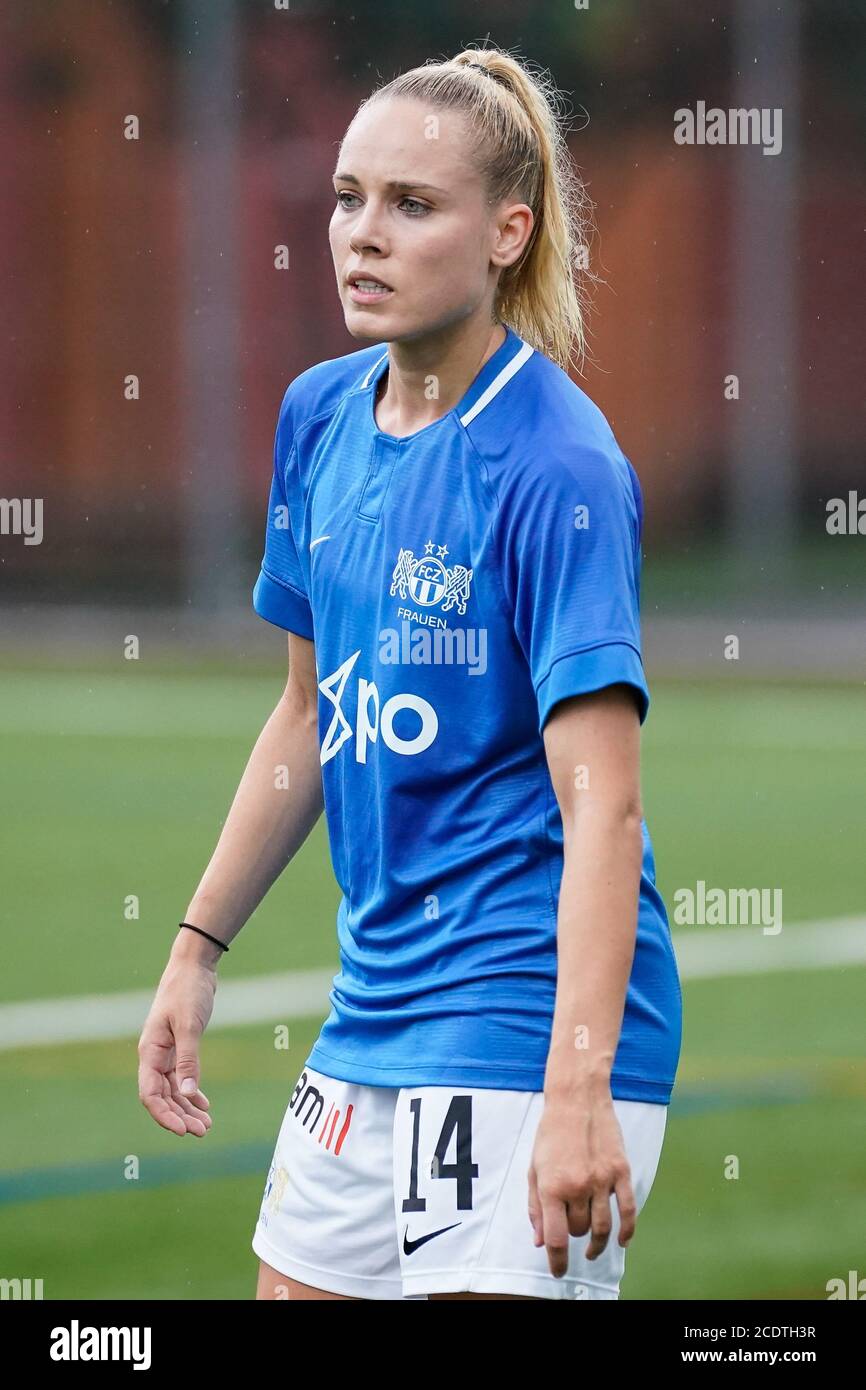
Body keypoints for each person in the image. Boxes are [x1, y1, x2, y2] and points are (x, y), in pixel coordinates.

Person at [138, 43, 682, 1302]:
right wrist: (195, 946)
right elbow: (306, 711)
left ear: (507, 232)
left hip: (521, 1019)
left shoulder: (557, 466)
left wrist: (577, 1087)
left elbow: (605, 806)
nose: (361, 236)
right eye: (347, 197)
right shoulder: (317, 416)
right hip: (371, 1009)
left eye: (410, 205)